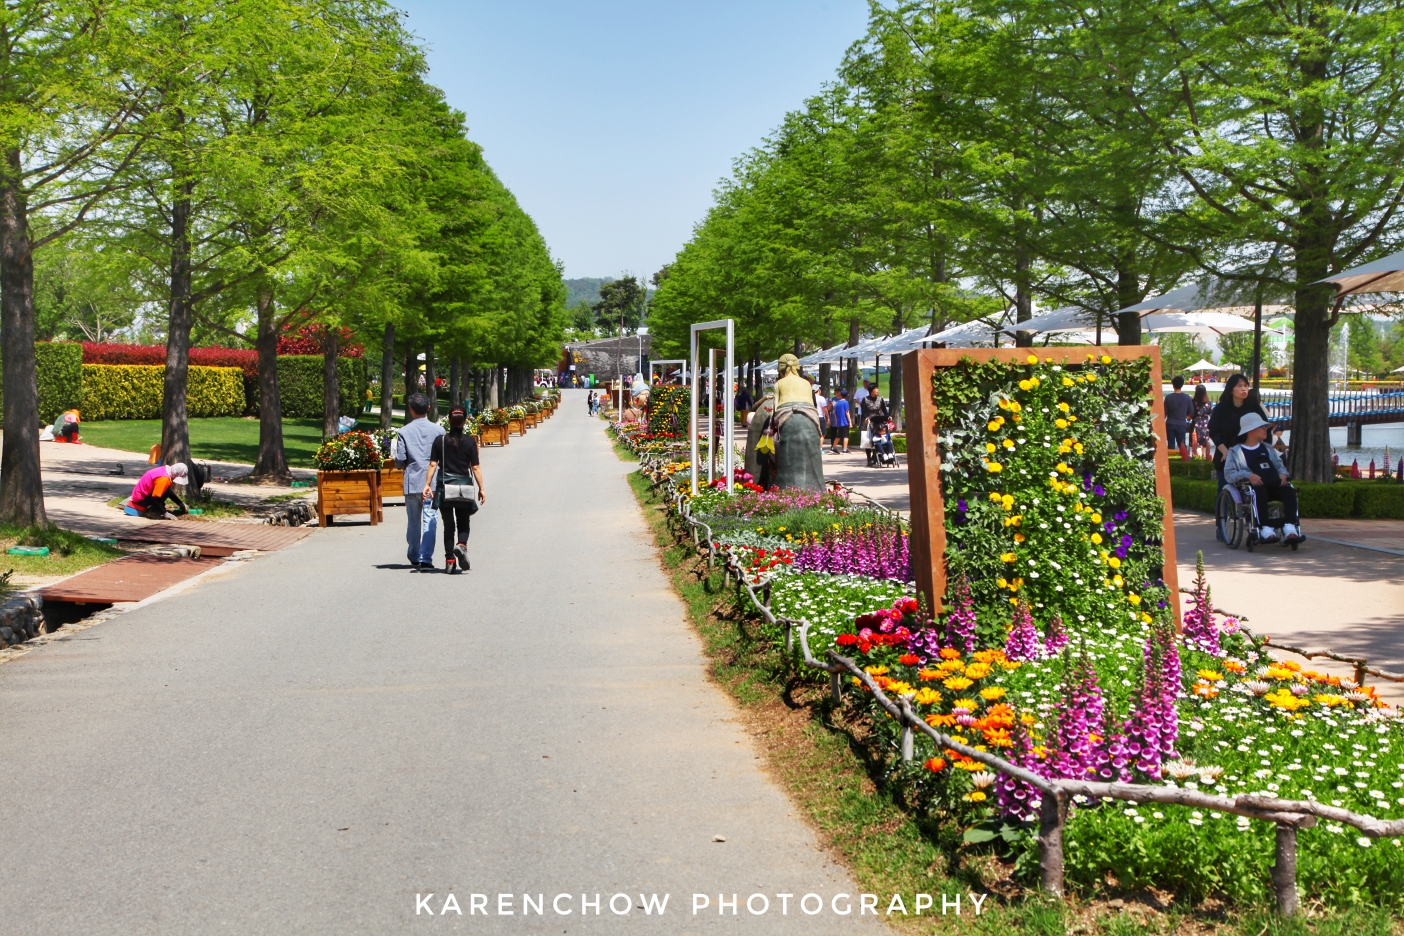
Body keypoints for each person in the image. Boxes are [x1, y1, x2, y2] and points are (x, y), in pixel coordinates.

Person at [1207, 373, 1270, 539]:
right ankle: (1221, 527)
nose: (1244, 389)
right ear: (1231, 389)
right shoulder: (1221, 408)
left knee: (1254, 492)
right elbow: (1214, 431)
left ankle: (1255, 526)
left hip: (1249, 456)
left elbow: (1265, 430)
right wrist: (1225, 451)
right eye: (1240, 386)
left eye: (1246, 386)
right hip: (1226, 456)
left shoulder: (1253, 407)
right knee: (1224, 489)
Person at [425, 405, 485, 574]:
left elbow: (432, 464)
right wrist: (481, 488)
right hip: (463, 488)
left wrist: (427, 484)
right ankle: (462, 545)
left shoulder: (440, 441)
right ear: (464, 421)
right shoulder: (469, 442)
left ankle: (450, 560)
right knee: (463, 522)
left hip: (445, 488)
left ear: (449, 421)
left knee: (448, 525)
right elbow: (476, 468)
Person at [1224, 412, 1300, 543]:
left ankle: (1290, 526)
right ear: (1251, 430)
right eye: (1263, 428)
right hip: (1252, 488)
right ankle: (1264, 527)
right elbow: (1229, 475)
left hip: (1273, 485)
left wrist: (1283, 474)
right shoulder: (1236, 452)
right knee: (1258, 492)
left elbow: (1279, 466)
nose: (1266, 430)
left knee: (1289, 491)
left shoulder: (1268, 449)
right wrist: (1248, 475)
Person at [394, 392, 445, 570]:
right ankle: (426, 557)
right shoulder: (439, 431)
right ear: (428, 408)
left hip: (412, 481)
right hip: (432, 483)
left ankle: (414, 553)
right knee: (430, 519)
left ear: (410, 409)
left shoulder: (403, 432)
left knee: (413, 521)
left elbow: (400, 459)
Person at [123, 462, 189, 519]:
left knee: (167, 490)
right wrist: (165, 513)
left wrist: (180, 503)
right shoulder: (164, 479)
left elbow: (169, 492)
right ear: (176, 474)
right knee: (165, 492)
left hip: (140, 495)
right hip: (140, 500)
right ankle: (152, 512)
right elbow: (154, 498)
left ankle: (154, 509)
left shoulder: (164, 470)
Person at [1163, 375, 1193, 459]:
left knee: (1170, 444)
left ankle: (1171, 460)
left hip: (1170, 423)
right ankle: (1184, 460)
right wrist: (1187, 417)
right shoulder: (1187, 398)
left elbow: (1165, 413)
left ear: (1173, 385)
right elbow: (1191, 412)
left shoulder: (1168, 398)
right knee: (1182, 444)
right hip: (1181, 423)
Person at [859, 389, 890, 466]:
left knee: (878, 438)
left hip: (877, 420)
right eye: (875, 389)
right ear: (871, 391)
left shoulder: (880, 399)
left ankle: (875, 457)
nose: (877, 390)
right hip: (868, 421)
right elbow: (863, 411)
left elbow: (884, 410)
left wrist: (888, 416)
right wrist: (865, 418)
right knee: (868, 440)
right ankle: (869, 459)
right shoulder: (865, 399)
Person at [1191, 384, 1214, 459]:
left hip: (1196, 423)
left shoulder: (1193, 402)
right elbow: (1212, 414)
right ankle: (1204, 458)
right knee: (1204, 443)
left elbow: (1191, 414)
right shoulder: (1209, 402)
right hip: (1206, 424)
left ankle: (1200, 458)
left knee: (1196, 443)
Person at [828, 388, 851, 454]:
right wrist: (850, 421)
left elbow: (835, 413)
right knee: (846, 436)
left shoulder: (837, 403)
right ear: (847, 395)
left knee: (838, 436)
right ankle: (845, 449)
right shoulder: (846, 402)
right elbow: (847, 412)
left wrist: (837, 421)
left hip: (839, 422)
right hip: (845, 421)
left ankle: (833, 448)